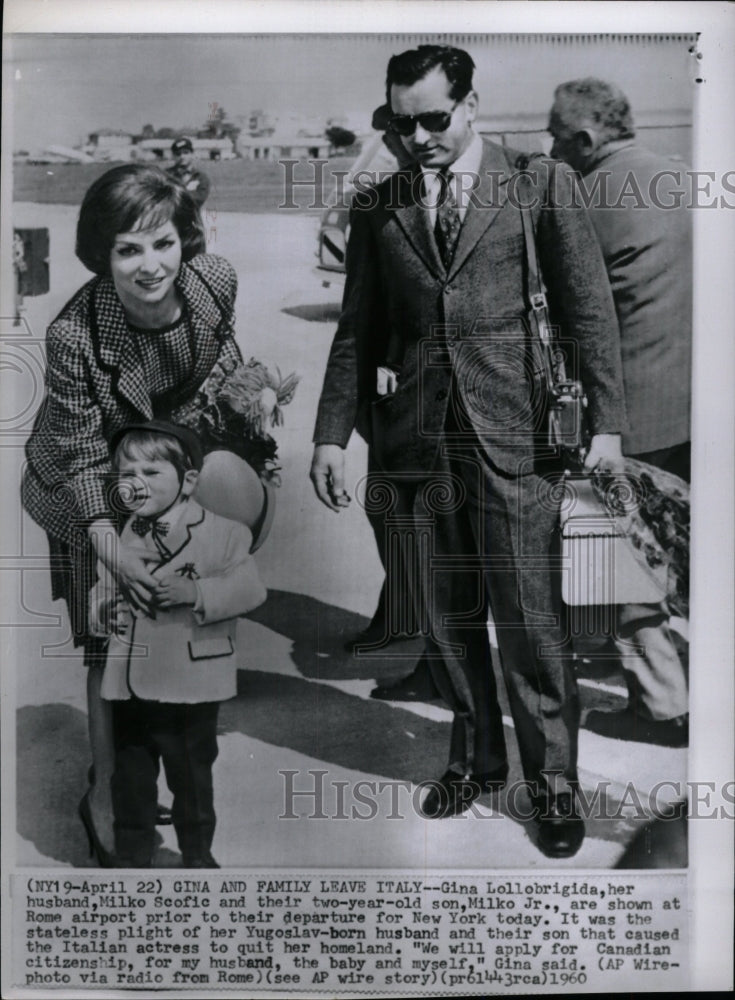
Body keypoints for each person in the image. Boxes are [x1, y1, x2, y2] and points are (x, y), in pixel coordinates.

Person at [310, 44, 627, 859]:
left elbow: (588, 308)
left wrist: (608, 427)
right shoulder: (379, 205)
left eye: (432, 119)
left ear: (471, 104)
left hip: (517, 438)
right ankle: (477, 754)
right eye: (399, 121)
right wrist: (329, 435)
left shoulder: (537, 182)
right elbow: (355, 331)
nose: (416, 137)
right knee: (450, 619)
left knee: (531, 621)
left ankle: (552, 785)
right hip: (417, 442)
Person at [21, 163, 270, 865]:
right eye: (127, 249)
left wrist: (250, 413)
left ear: (183, 239)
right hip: (85, 485)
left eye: (161, 243)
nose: (149, 265)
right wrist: (112, 548)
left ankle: (162, 758)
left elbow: (223, 362)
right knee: (108, 633)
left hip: (165, 469)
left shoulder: (214, 280)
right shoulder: (74, 334)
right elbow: (77, 456)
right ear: (101, 255)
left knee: (168, 622)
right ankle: (104, 792)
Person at [548, 79, 691, 748]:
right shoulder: (678, 176)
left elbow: (555, 301)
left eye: (556, 135)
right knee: (693, 552)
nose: (550, 146)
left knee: (616, 563)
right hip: (697, 402)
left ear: (584, 138)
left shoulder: (587, 194)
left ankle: (662, 709)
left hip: (626, 413)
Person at [89, 422, 266, 867]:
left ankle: (197, 854)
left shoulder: (226, 533)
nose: (137, 484)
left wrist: (198, 594)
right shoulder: (122, 536)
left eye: (151, 472)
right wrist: (103, 611)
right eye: (126, 474)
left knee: (191, 778)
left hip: (192, 684)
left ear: (188, 480)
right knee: (130, 777)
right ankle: (132, 855)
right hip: (129, 683)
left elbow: (250, 590)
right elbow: (101, 588)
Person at [167, 137, 211, 208]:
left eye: (186, 153)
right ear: (173, 156)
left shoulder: (200, 177)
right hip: (168, 217)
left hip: (191, 217)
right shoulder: (166, 175)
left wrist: (175, 192)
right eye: (178, 154)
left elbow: (199, 199)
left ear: (192, 154)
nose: (182, 157)